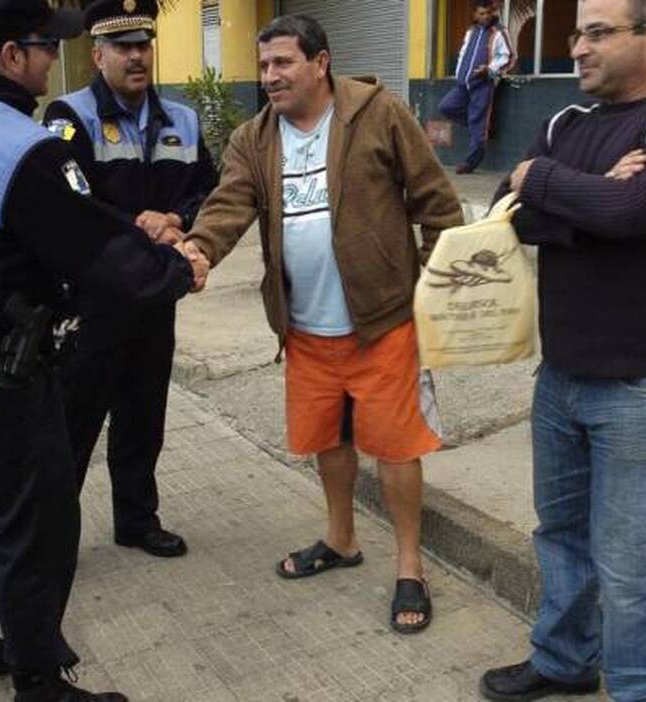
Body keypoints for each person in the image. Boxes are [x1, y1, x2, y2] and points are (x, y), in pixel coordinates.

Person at [0, 0, 205, 700]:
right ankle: (40, 681)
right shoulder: (19, 147)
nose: (55, 58)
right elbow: (95, 251)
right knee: (35, 525)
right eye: (45, 46)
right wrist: (178, 271)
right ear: (9, 56)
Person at [478, 1, 646, 700]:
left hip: (638, 383)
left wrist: (546, 181)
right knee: (560, 534)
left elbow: (632, 211)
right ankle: (564, 661)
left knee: (629, 560)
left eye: (596, 32)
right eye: (577, 33)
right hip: (559, 373)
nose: (577, 48)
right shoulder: (566, 121)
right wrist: (593, 200)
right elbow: (508, 215)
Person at [183, 14, 463, 634]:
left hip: (382, 324)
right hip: (305, 330)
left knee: (397, 449)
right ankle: (341, 540)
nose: (270, 77)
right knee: (328, 441)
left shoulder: (379, 114)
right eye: (263, 66)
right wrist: (199, 250)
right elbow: (229, 204)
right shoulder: (254, 138)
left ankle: (410, 565)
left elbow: (436, 203)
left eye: (283, 63)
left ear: (320, 62)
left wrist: (436, 289)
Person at [40, 0, 218, 559]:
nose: (136, 56)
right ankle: (48, 542)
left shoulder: (182, 119)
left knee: (143, 415)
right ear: (98, 55)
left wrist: (176, 219)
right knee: (74, 424)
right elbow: (68, 204)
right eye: (122, 47)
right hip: (91, 301)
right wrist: (141, 226)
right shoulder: (69, 116)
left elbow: (208, 188)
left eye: (143, 44)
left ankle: (137, 520)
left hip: (154, 296)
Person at [438, 0, 514, 174]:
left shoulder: (499, 32)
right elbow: (463, 54)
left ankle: (470, 163)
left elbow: (508, 57)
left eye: (488, 13)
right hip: (463, 85)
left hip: (483, 85)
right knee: (446, 107)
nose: (485, 16)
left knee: (477, 121)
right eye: (481, 13)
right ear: (475, 15)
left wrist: (490, 70)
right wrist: (459, 73)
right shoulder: (471, 32)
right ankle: (483, 128)